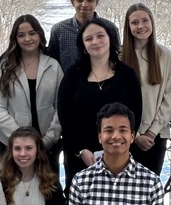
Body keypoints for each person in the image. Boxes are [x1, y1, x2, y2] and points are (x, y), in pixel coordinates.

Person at [57, 17, 143, 191]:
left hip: (118, 152)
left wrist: (118, 147)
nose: (95, 42)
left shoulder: (127, 74)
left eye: (100, 36)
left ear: (110, 39)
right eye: (89, 38)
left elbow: (135, 114)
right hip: (81, 156)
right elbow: (65, 115)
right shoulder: (73, 74)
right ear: (83, 45)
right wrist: (81, 150)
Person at [0, 15, 63, 169]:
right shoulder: (6, 67)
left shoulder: (53, 66)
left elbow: (61, 106)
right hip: (11, 145)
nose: (27, 39)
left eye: (32, 33)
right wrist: (21, 140)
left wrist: (49, 139)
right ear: (15, 39)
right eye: (21, 35)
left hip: (47, 145)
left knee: (47, 183)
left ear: (40, 35)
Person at [120, 3, 171, 175]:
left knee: (150, 185)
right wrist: (135, 135)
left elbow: (170, 96)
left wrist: (151, 133)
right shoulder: (119, 56)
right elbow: (116, 99)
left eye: (145, 20)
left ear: (152, 22)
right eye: (135, 22)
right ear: (128, 27)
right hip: (124, 137)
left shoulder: (164, 55)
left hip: (155, 137)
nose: (141, 26)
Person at [48, 0, 120, 71]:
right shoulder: (59, 30)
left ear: (96, 2)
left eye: (90, 0)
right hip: (68, 80)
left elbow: (116, 61)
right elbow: (53, 65)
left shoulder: (110, 28)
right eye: (79, 0)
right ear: (72, 1)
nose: (85, 4)